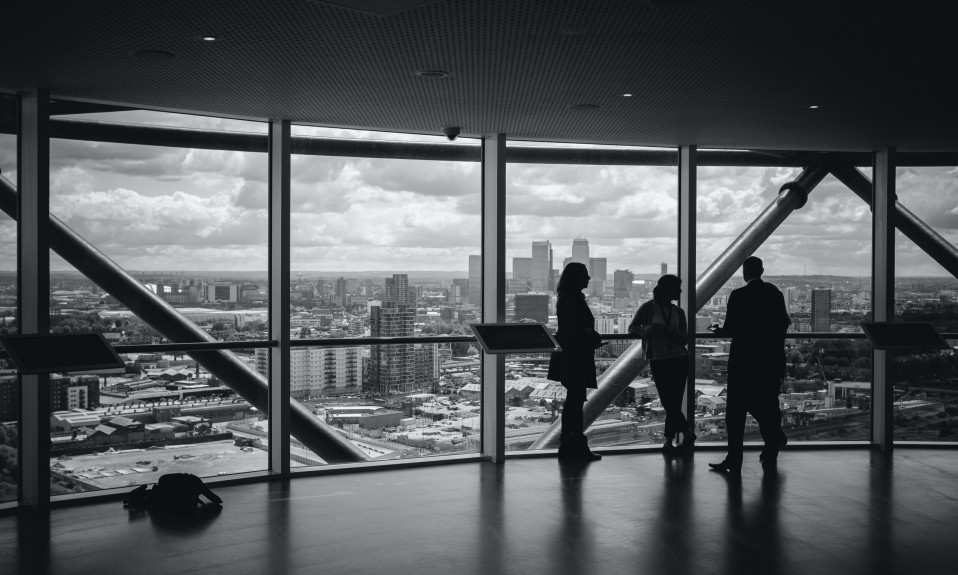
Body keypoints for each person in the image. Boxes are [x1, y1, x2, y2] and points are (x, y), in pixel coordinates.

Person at [708, 256, 791, 473]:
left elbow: (731, 329)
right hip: (770, 360)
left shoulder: (739, 295)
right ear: (762, 270)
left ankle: (735, 459)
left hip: (743, 361)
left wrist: (718, 331)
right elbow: (783, 324)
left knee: (736, 411)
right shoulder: (775, 294)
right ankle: (772, 446)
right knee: (768, 404)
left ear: (745, 273)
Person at [628, 274, 694, 455]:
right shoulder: (648, 308)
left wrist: (670, 332)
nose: (680, 291)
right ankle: (683, 434)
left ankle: (669, 441)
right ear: (668, 289)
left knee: (672, 402)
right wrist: (649, 329)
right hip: (664, 359)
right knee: (669, 402)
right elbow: (633, 329)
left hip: (675, 359)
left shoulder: (678, 312)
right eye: (677, 288)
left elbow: (684, 339)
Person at [547, 262, 605, 461]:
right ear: (576, 278)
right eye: (585, 275)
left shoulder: (566, 298)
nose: (589, 279)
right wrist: (590, 337)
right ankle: (575, 446)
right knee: (575, 403)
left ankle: (569, 445)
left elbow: (571, 329)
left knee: (574, 402)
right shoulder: (573, 299)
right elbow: (576, 329)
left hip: (571, 355)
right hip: (576, 356)